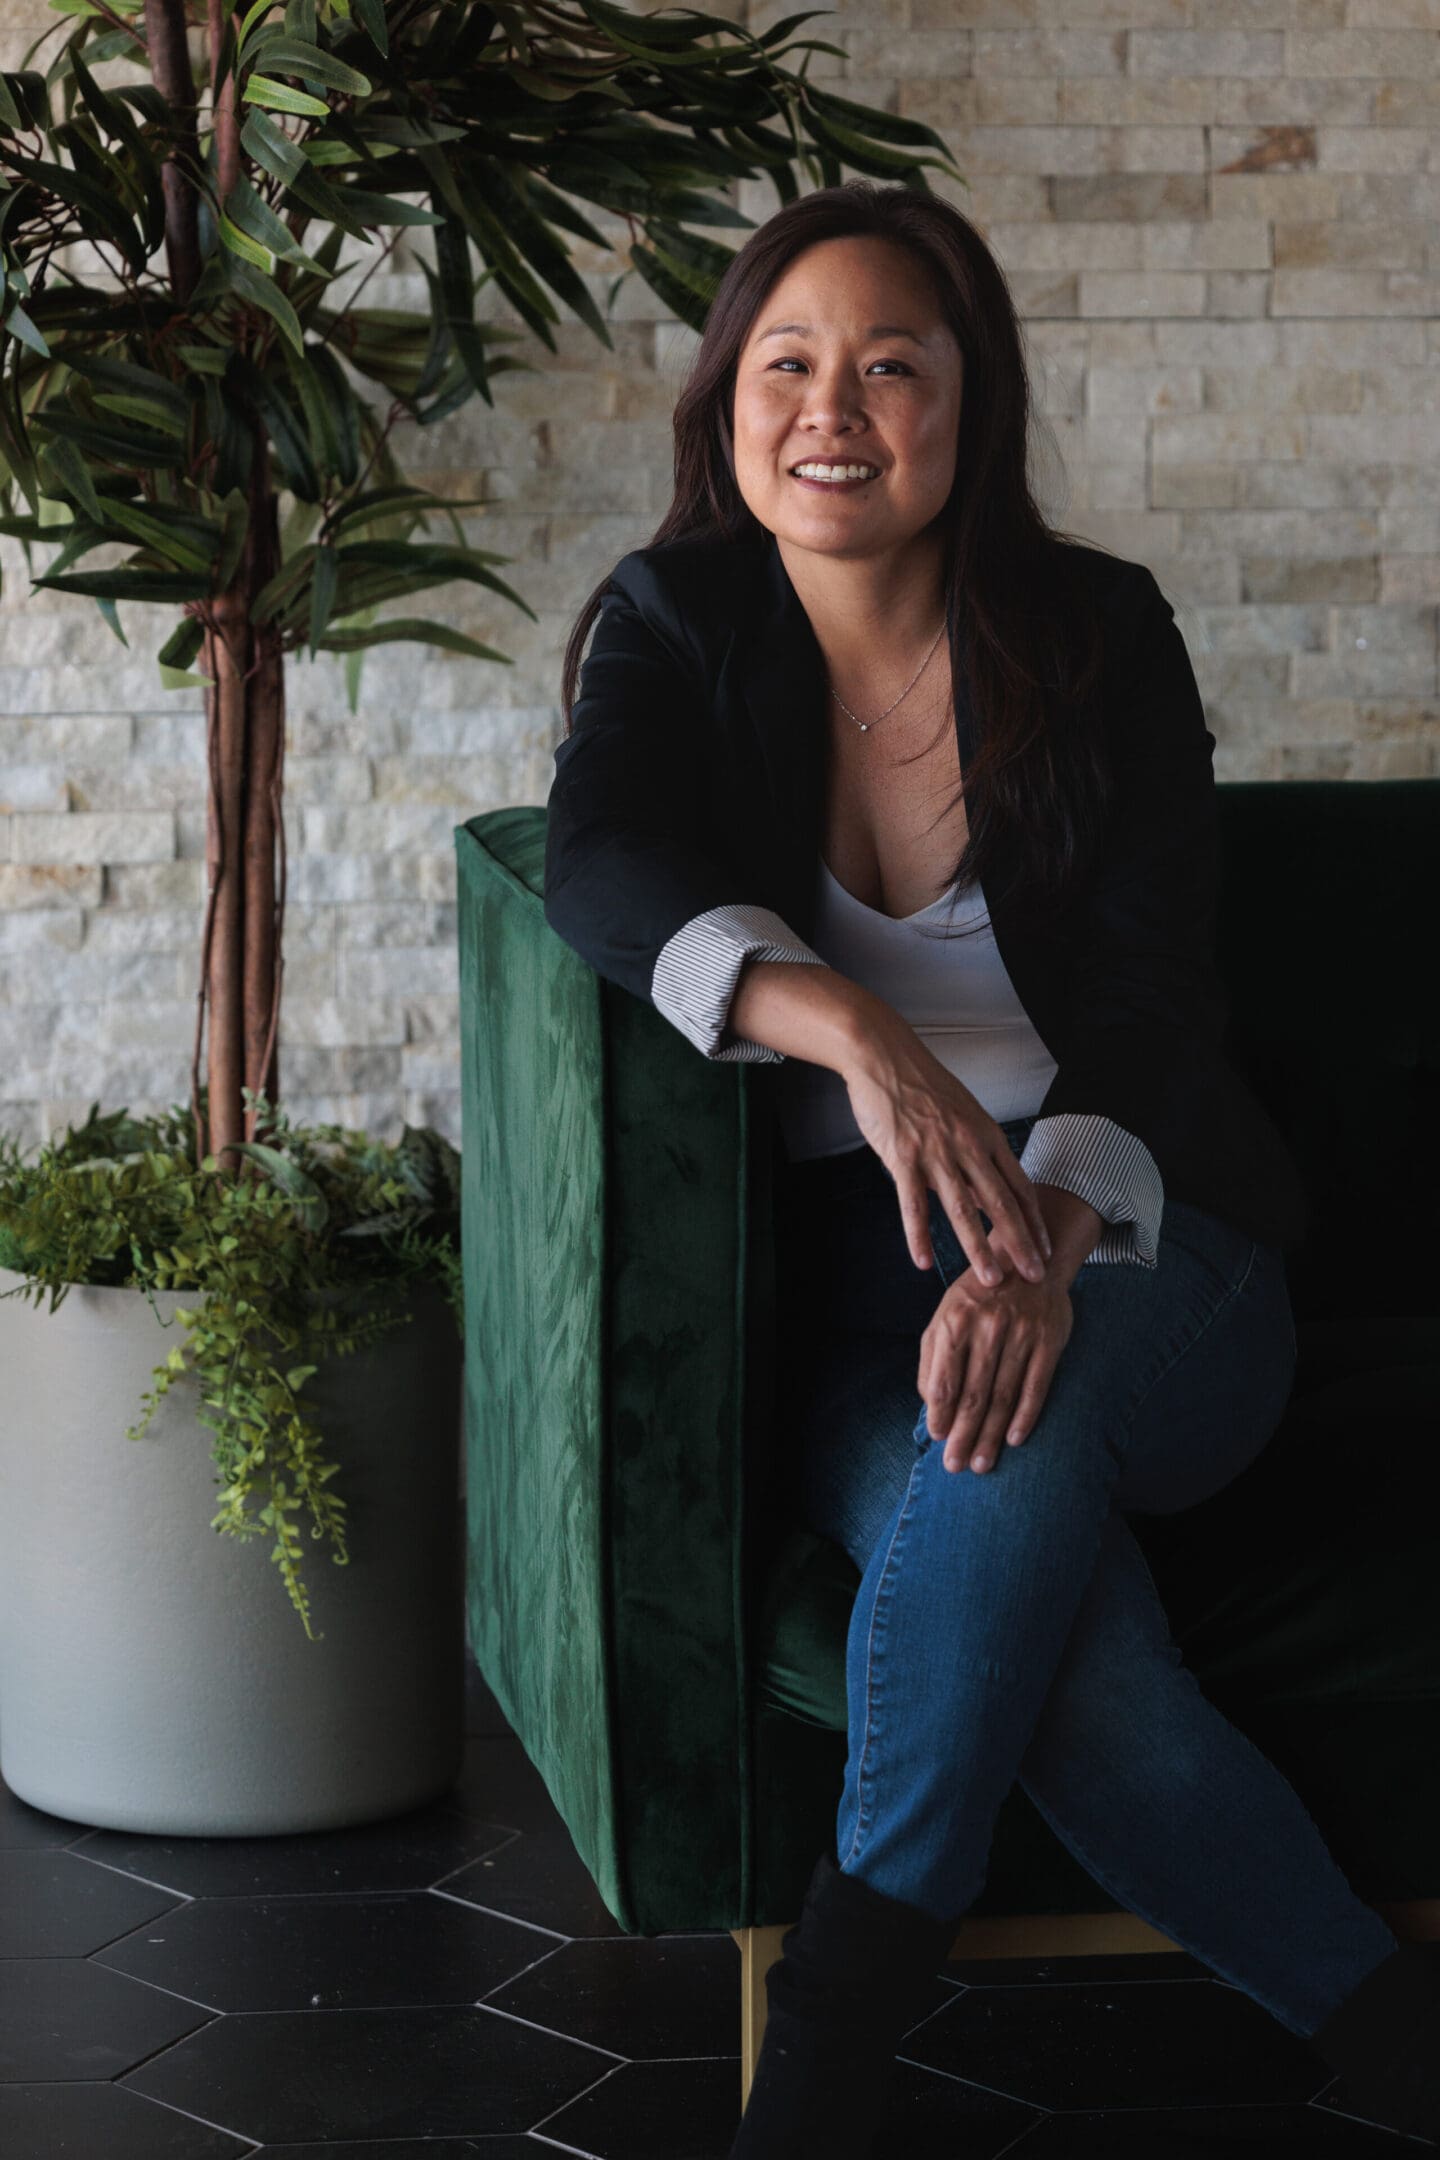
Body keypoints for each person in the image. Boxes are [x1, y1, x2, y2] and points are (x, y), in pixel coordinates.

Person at [543, 181, 1440, 2157]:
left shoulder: (1097, 635)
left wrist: (1046, 1225)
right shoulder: (673, 624)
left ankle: (833, 2048)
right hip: (857, 1307)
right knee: (1067, 1638)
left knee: (1021, 1428)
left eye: (890, 364)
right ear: (724, 403)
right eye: (787, 361)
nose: (832, 406)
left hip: (1148, 1244)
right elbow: (600, 865)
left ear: (970, 405)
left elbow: (1151, 991)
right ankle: (1394, 2034)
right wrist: (851, 1029)